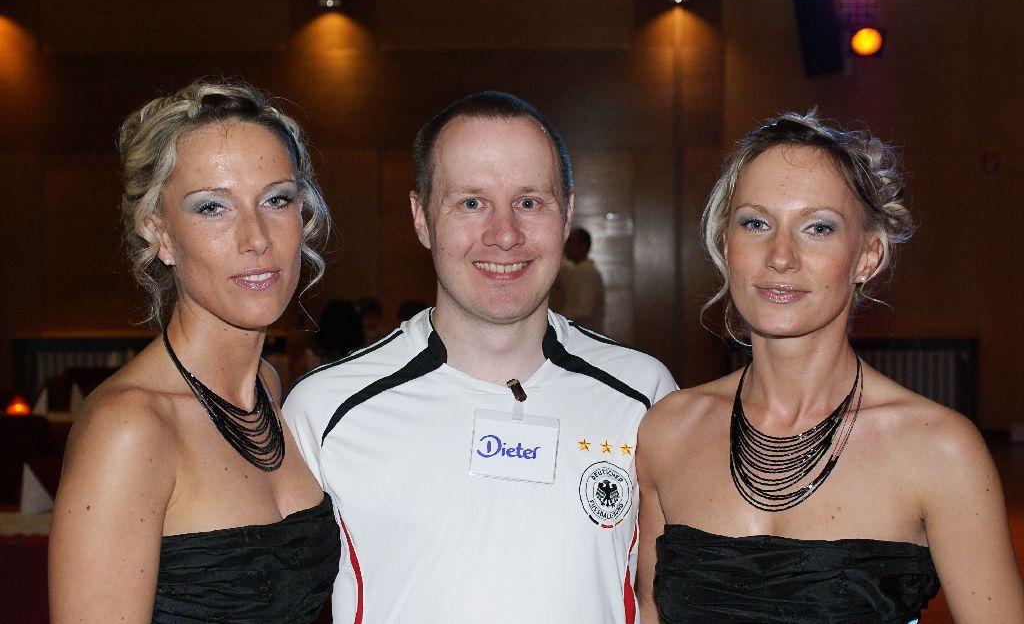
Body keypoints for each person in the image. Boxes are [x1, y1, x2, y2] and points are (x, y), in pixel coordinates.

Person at [284, 90, 677, 623]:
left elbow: (661, 600)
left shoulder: (645, 396)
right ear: (421, 217)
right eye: (471, 203)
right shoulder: (323, 411)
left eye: (529, 202)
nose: (505, 235)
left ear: (566, 216)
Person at [635, 112, 1024, 623]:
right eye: (756, 223)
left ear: (867, 256)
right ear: (726, 244)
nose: (780, 256)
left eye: (818, 228)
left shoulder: (939, 450)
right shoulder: (668, 430)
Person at [49, 80, 341, 623]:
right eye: (212, 208)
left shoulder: (268, 388)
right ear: (159, 234)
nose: (256, 237)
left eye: (276, 200)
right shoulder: (130, 427)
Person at [551, 227, 606, 331]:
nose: (566, 247)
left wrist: (553, 319)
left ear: (583, 246)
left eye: (571, 243)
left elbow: (582, 312)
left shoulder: (587, 272)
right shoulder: (576, 270)